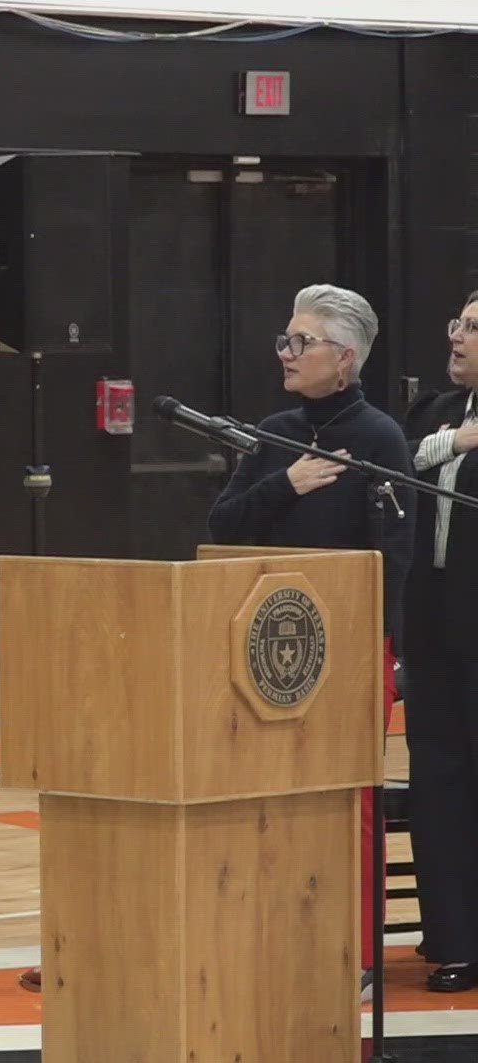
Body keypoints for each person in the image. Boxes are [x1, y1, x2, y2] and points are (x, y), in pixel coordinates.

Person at [207, 284, 412, 993]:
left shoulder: (380, 439)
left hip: (349, 651)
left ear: (344, 358)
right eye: (284, 340)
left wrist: (378, 650)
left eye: (303, 342)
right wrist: (287, 485)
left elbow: (396, 555)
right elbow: (224, 525)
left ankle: (357, 954)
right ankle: (282, 933)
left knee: (350, 801)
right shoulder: (275, 433)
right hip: (265, 654)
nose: (287, 353)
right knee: (273, 799)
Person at [399, 290, 478, 993]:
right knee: (440, 781)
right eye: (457, 322)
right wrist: (455, 442)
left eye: (474, 328)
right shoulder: (435, 412)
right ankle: (452, 935)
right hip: (432, 628)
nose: (456, 336)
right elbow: (398, 464)